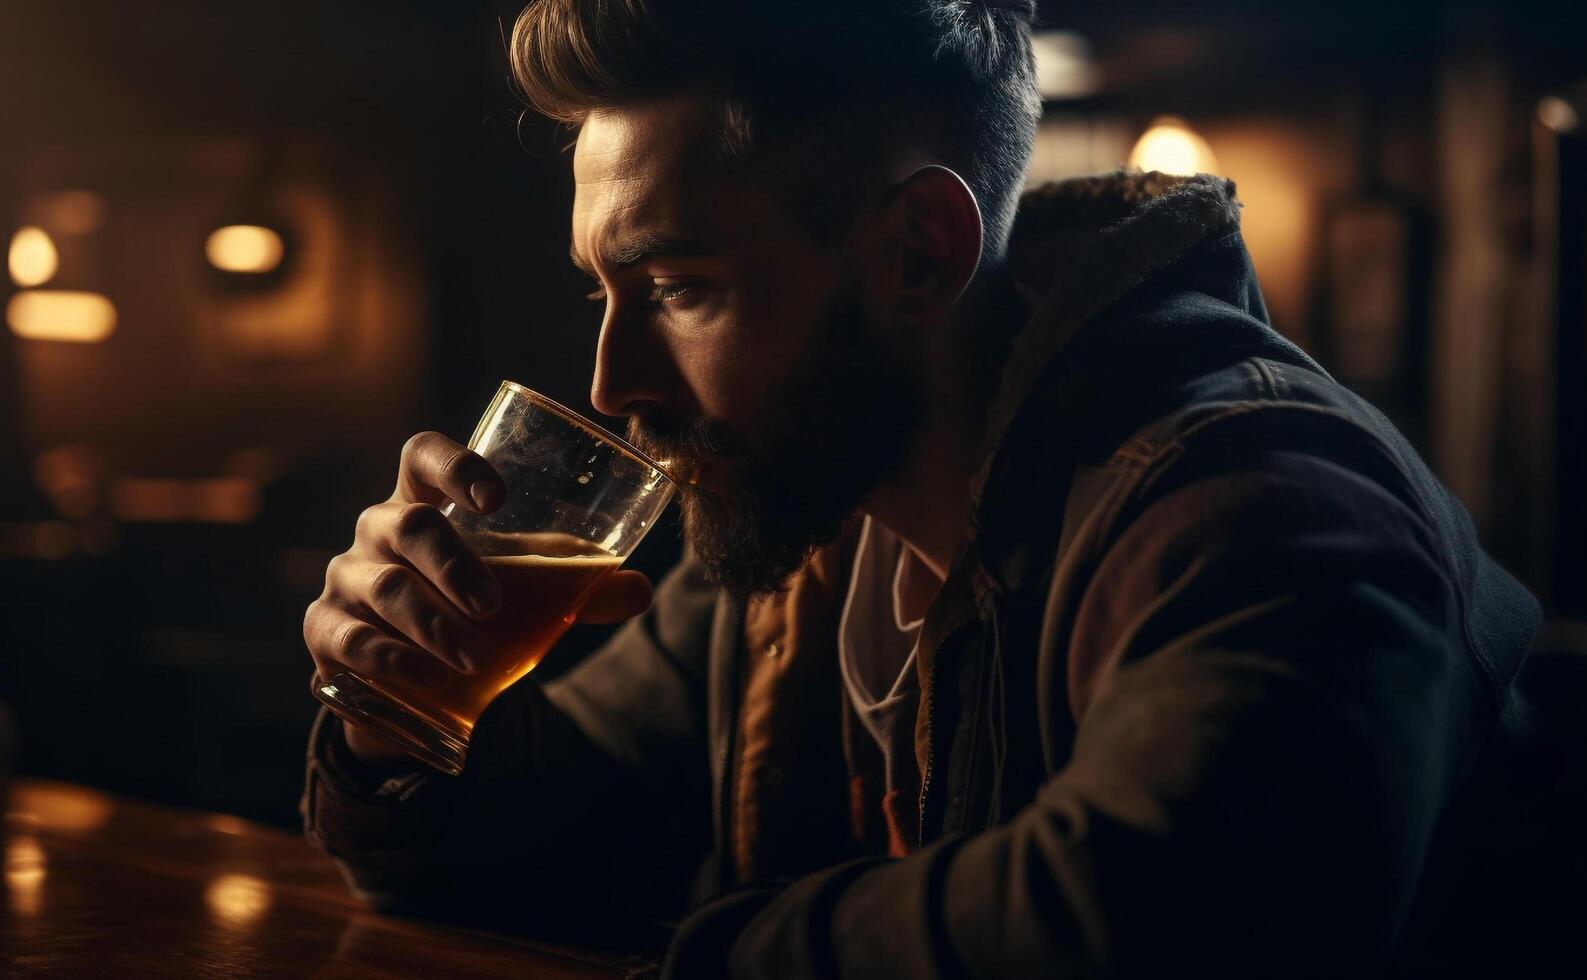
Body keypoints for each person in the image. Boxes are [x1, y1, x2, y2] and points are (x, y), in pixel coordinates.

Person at [300, 1, 1570, 975]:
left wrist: (704, 947)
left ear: (918, 250)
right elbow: (526, 832)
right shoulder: (803, 523)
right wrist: (398, 707)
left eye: (678, 286)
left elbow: (1146, 918)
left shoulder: (1264, 509)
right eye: (603, 291)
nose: (612, 377)